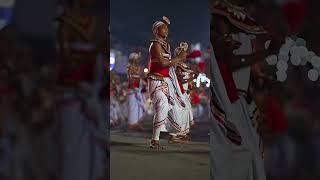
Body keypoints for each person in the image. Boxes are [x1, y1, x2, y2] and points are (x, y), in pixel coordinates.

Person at [208, 0, 283, 179]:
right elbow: (229, 62)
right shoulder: (222, 16)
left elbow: (244, 64)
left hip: (240, 101)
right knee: (234, 158)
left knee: (249, 157)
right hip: (226, 99)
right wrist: (267, 53)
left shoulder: (242, 18)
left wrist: (258, 76)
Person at [55, 0, 107, 179]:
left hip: (92, 94)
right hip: (71, 97)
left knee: (92, 153)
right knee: (71, 152)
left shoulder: (98, 21)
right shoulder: (64, 24)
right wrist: (93, 55)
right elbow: (65, 64)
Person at [147, 16, 192, 149]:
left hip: (167, 81)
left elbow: (170, 65)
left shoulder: (167, 45)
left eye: (167, 28)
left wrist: (180, 57)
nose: (166, 30)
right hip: (156, 80)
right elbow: (162, 63)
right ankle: (155, 140)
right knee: (163, 103)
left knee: (175, 106)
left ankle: (174, 134)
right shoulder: (155, 44)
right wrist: (178, 58)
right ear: (156, 30)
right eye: (163, 28)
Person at [127, 52, 146, 131]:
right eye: (137, 59)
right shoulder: (129, 67)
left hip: (138, 89)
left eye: (138, 59)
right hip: (132, 90)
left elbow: (140, 77)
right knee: (133, 107)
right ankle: (132, 124)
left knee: (139, 107)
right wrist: (134, 88)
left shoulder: (138, 67)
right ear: (133, 59)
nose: (138, 60)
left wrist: (143, 82)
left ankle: (137, 123)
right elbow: (130, 79)